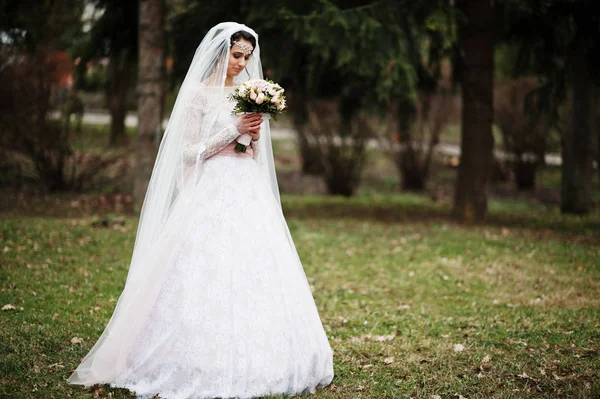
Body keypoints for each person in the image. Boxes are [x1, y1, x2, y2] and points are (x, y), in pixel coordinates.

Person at [68, 22, 334, 398]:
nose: (241, 63)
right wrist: (233, 129)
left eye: (247, 57)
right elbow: (189, 151)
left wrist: (250, 137)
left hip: (244, 186)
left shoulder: (246, 93)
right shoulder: (196, 94)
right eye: (236, 55)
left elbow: (249, 153)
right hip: (209, 187)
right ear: (220, 52)